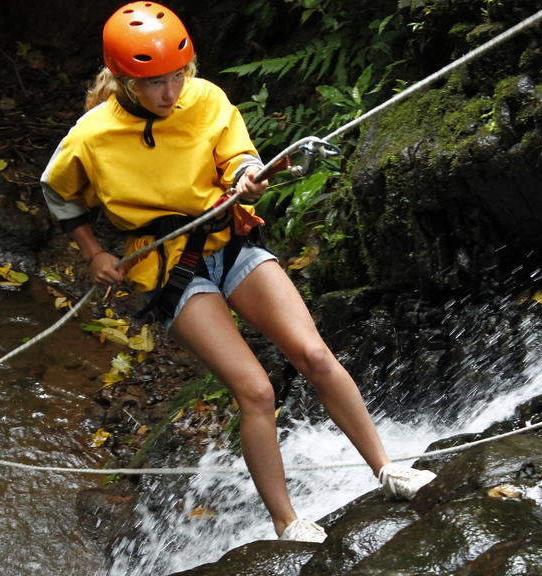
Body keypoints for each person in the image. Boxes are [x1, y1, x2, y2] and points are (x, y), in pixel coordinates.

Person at [41, 3, 435, 542]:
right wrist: (92, 252)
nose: (169, 91)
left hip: (230, 238)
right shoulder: (92, 135)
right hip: (166, 265)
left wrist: (249, 176)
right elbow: (58, 193)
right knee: (255, 391)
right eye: (154, 82)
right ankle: (287, 522)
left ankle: (387, 468)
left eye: (177, 74)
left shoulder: (205, 100)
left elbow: (239, 157)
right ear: (126, 80)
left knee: (314, 354)